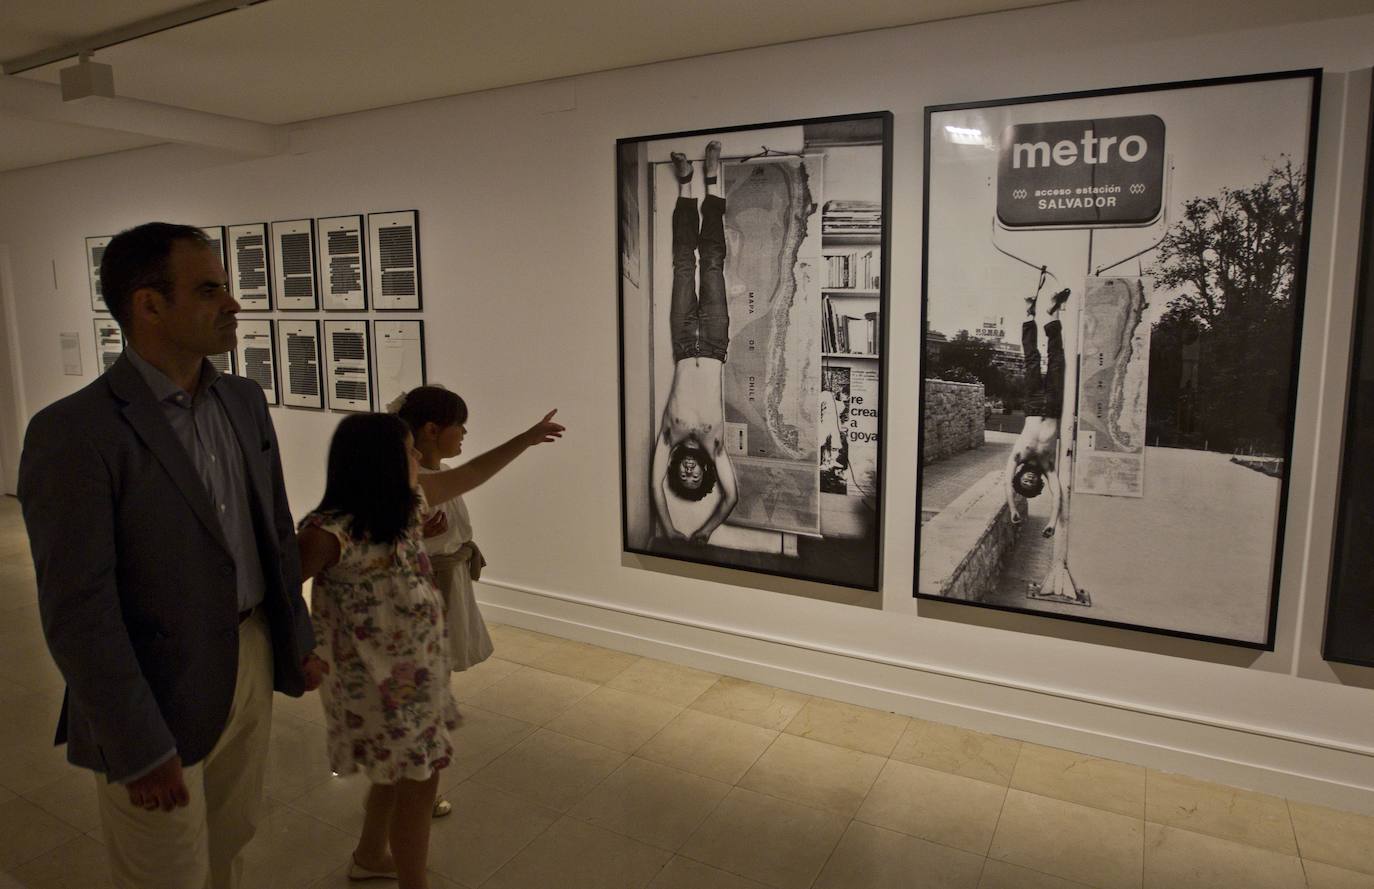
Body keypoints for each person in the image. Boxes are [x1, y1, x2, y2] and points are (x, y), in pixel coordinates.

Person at [17, 222, 324, 889]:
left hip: (248, 652)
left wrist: (293, 634)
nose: (233, 304)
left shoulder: (241, 399)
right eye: (209, 289)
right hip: (153, 683)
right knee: (164, 871)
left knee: (231, 843)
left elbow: (270, 529)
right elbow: (78, 609)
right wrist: (135, 740)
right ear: (148, 305)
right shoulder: (74, 432)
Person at [392, 384, 564, 817]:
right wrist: (525, 439)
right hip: (426, 594)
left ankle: (412, 788)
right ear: (432, 430)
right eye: (460, 427)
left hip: (440, 586)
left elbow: (470, 472)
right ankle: (415, 786)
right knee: (424, 692)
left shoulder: (428, 478)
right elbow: (475, 472)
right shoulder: (414, 486)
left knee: (432, 685)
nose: (465, 434)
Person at [651, 139, 739, 544]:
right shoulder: (715, 444)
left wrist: (669, 528)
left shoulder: (669, 437)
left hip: (684, 341)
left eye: (682, 478)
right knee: (715, 262)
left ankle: (686, 185)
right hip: (716, 344)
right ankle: (713, 182)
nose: (688, 474)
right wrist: (704, 530)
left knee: (685, 264)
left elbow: (654, 489)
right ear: (704, 472)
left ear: (676, 469)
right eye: (695, 478)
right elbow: (731, 497)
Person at [1005, 284, 1071, 538]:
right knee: (1057, 361)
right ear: (1039, 482)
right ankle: (1053, 312)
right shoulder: (1048, 466)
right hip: (1053, 406)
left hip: (1033, 405)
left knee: (1031, 360)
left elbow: (1007, 486)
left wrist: (1013, 508)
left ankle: (1028, 314)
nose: (1029, 481)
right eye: (1032, 484)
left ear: (1020, 477)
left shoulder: (1017, 457)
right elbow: (1057, 495)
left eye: (1025, 482)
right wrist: (1052, 523)